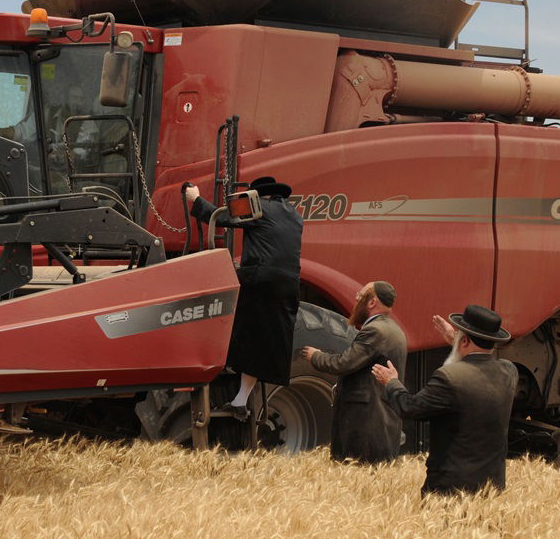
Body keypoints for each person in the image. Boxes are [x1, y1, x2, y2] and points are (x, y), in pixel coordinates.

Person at [185, 175, 303, 420]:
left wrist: (195, 199)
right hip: (289, 283)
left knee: (240, 330)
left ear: (256, 195)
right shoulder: (294, 215)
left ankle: (220, 362)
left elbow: (219, 217)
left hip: (260, 280)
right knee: (263, 341)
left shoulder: (258, 206)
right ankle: (240, 401)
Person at [371, 305, 517, 496]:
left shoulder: (449, 377)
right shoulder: (509, 371)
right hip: (492, 487)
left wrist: (391, 382)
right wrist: (458, 343)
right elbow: (481, 362)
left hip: (450, 487)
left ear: (465, 340)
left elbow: (409, 408)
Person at [300, 280, 406, 464]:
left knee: (357, 470)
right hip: (380, 421)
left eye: (360, 295)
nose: (356, 300)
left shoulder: (375, 331)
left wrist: (316, 356)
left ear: (371, 302)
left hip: (365, 424)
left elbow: (343, 363)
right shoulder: (394, 329)